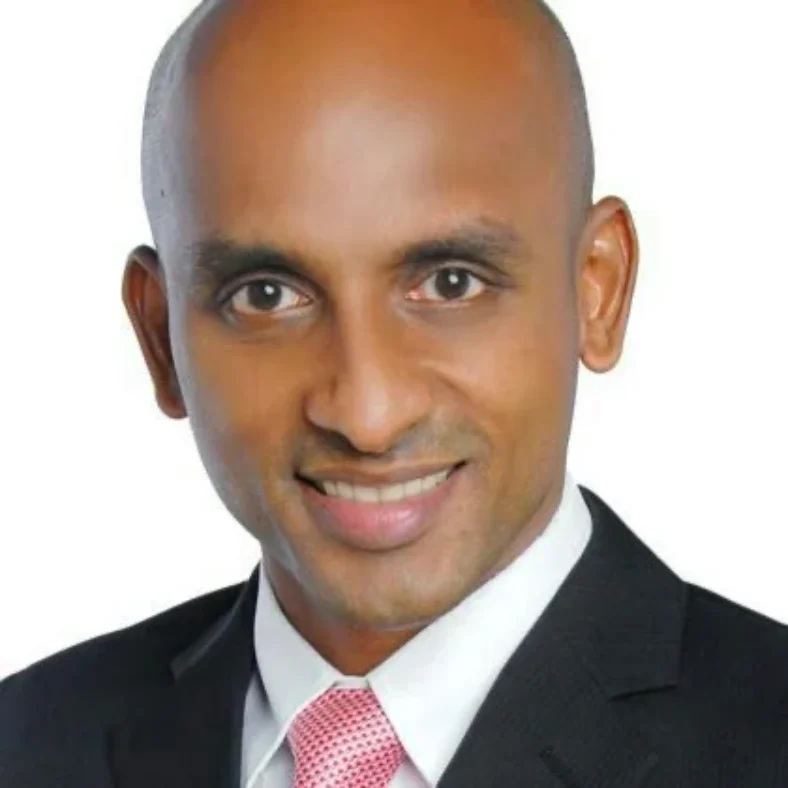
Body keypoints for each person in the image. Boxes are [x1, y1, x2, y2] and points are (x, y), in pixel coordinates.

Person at [2, 0, 786, 785]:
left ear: (597, 292)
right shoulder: (26, 744)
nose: (368, 416)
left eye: (452, 284)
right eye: (266, 296)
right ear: (159, 336)